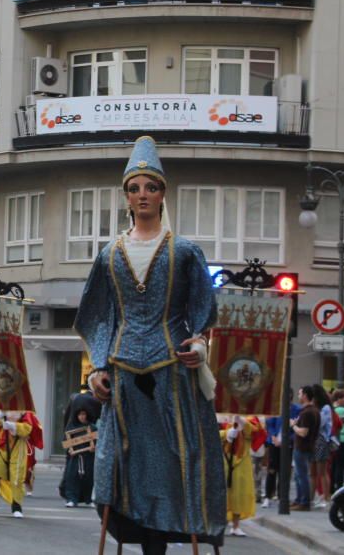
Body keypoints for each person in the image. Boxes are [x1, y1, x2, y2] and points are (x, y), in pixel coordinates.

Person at [74, 136, 226, 554]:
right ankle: (138, 533)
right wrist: (100, 366)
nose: (143, 194)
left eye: (151, 187)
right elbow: (99, 315)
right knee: (124, 461)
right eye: (135, 187)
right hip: (123, 371)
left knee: (181, 454)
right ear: (126, 196)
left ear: (163, 194)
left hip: (171, 369)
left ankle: (174, 531)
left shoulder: (185, 252)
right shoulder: (109, 254)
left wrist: (198, 348)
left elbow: (202, 316)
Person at [0, 410, 37, 519]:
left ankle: (16, 507)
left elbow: (27, 429)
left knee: (16, 478)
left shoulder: (26, 412)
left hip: (18, 447)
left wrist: (12, 426)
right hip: (1, 444)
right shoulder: (0, 409)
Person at [220, 416, 260, 537]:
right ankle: (220, 524)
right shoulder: (223, 415)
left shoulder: (251, 418)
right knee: (222, 493)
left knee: (239, 493)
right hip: (224, 459)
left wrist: (242, 422)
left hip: (241, 462)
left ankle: (235, 526)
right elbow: (209, 433)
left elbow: (255, 432)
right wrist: (226, 433)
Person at [61, 394, 100, 508]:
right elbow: (66, 443)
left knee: (88, 479)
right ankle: (72, 499)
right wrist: (70, 450)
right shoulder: (71, 427)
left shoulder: (92, 427)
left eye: (84, 414)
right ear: (76, 415)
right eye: (80, 414)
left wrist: (94, 447)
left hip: (88, 457)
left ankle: (88, 499)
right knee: (72, 478)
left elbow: (98, 441)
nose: (82, 417)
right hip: (75, 458)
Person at [291, 385, 320, 511]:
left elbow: (303, 432)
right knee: (299, 475)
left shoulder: (308, 412)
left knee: (301, 475)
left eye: (300, 394)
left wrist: (293, 426)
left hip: (303, 447)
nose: (298, 396)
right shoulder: (313, 411)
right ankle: (299, 500)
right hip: (307, 447)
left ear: (305, 395)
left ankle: (304, 501)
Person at [310, 384, 333, 509]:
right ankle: (311, 498)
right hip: (314, 440)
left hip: (321, 440)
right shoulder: (319, 407)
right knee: (313, 472)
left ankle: (326, 497)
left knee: (322, 471)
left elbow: (320, 423)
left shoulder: (325, 408)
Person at [330, 390, 344, 492]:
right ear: (338, 399)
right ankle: (339, 488)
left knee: (334, 465)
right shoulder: (342, 410)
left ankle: (331, 488)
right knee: (341, 466)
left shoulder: (331, 410)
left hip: (334, 440)